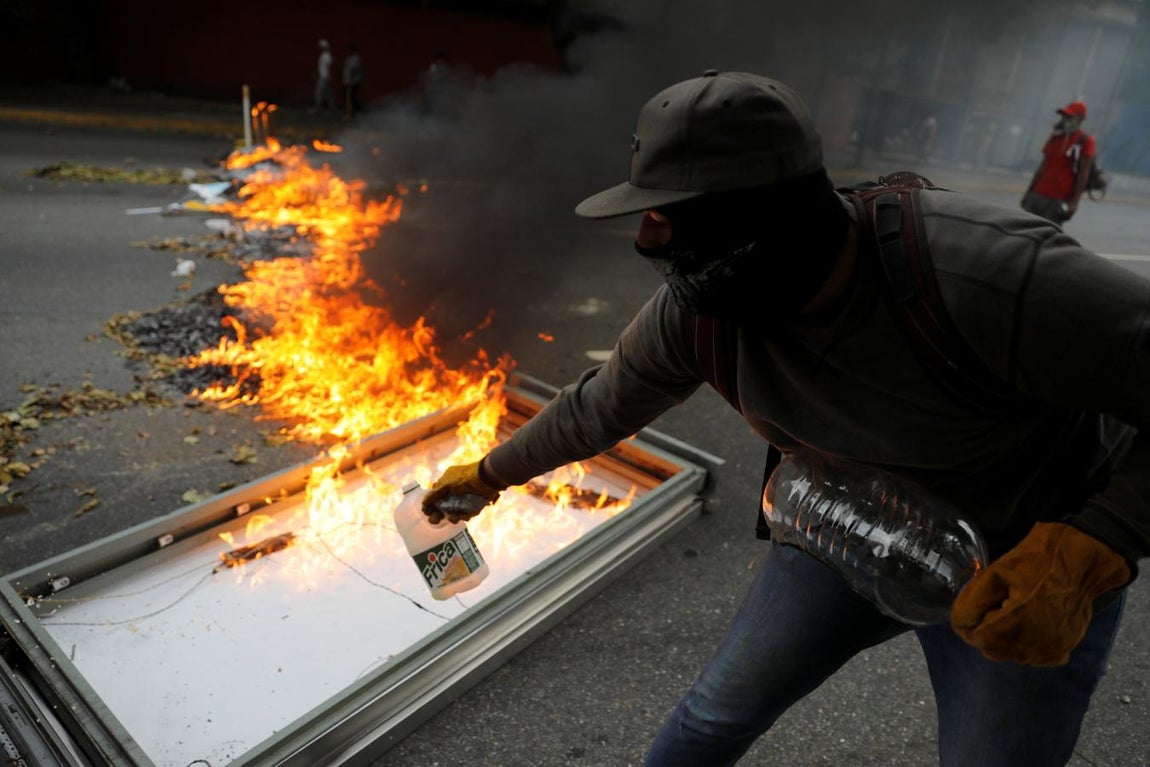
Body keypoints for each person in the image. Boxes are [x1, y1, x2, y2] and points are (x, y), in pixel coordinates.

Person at [422, 70, 1149, 766]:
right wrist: (489, 475)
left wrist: (1100, 543)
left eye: (667, 218)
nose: (647, 243)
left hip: (1030, 561)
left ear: (763, 223)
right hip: (851, 523)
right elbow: (600, 405)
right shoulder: (696, 316)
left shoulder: (980, 275)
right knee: (717, 711)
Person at [1021, 101, 1096, 223]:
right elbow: (1042, 168)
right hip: (1037, 195)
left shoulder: (1085, 141)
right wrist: (1029, 192)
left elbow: (1083, 173)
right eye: (1064, 116)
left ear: (1080, 119)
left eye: (1070, 117)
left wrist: (1074, 202)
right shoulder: (1056, 137)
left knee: (1045, 237)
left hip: (1057, 200)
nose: (1066, 119)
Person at [311, 39, 335, 114]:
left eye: (321, 47)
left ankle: (317, 109)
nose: (319, 48)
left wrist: (329, 76)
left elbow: (329, 66)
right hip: (325, 77)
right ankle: (332, 109)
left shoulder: (326, 55)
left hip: (324, 77)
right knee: (328, 94)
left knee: (318, 93)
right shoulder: (324, 55)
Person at [342, 43, 364, 119]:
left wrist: (350, 82)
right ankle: (355, 111)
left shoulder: (356, 58)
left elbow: (353, 70)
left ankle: (350, 114)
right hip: (348, 81)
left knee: (349, 98)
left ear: (353, 50)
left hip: (352, 82)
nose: (347, 51)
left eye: (349, 50)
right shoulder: (349, 58)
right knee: (351, 98)